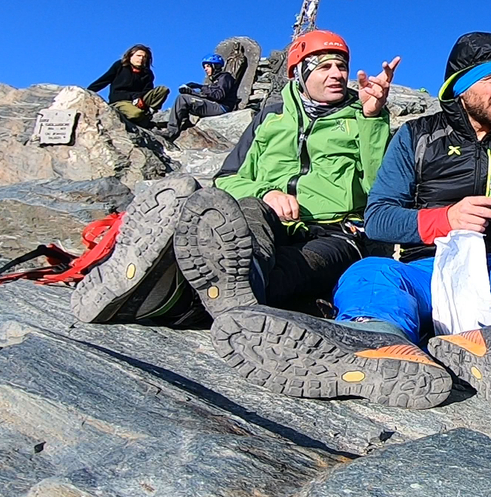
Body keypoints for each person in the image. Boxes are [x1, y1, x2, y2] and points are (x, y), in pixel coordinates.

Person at [209, 32, 491, 415]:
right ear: (461, 85)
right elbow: (378, 218)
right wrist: (444, 219)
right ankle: (381, 341)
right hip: (427, 272)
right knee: (368, 269)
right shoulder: (418, 136)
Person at [171, 29, 401, 321]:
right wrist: (267, 193)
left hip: (335, 233)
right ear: (300, 73)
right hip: (268, 224)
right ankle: (243, 283)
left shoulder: (364, 118)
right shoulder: (269, 118)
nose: (338, 74)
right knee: (249, 210)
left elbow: (379, 189)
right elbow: (227, 178)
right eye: (324, 66)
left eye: (342, 66)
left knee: (286, 274)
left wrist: (372, 119)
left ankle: (207, 302)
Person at [160, 53, 239, 140]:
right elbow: (211, 95)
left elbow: (218, 96)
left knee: (182, 98)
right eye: (204, 67)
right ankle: (184, 124)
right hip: (215, 105)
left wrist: (197, 90)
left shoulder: (225, 77)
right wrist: (194, 91)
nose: (205, 69)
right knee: (186, 97)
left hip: (221, 107)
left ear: (215, 66)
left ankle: (171, 131)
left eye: (208, 66)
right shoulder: (216, 80)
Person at [87, 44, 170, 125]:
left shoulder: (147, 73)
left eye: (144, 57)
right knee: (136, 114)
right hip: (121, 101)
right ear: (130, 55)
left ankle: (150, 112)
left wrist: (139, 98)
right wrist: (88, 92)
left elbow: (147, 91)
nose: (141, 59)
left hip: (139, 100)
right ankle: (142, 119)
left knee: (163, 90)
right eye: (138, 55)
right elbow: (104, 80)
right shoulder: (120, 66)